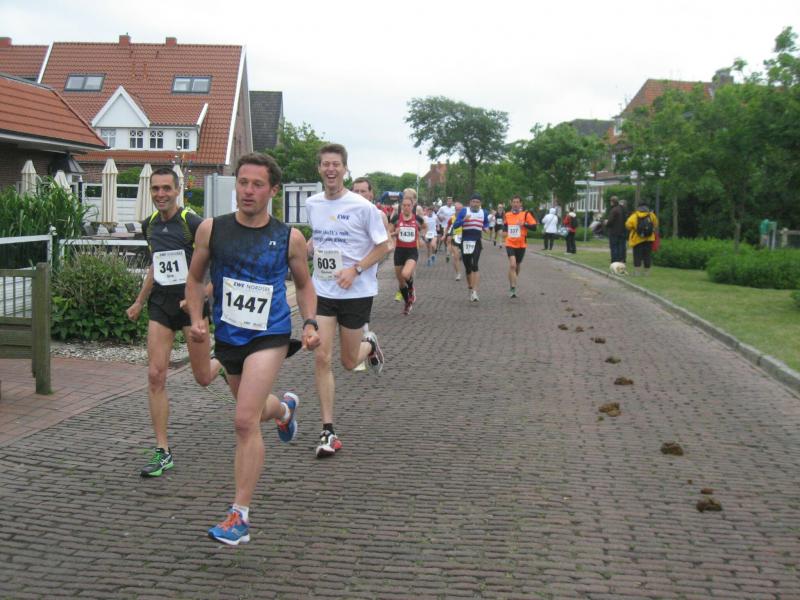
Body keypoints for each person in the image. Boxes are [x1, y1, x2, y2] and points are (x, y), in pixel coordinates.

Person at [185, 152, 320, 545]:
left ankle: (239, 516)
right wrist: (196, 316)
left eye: (257, 184)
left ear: (272, 190)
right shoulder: (212, 230)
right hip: (229, 335)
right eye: (242, 182)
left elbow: (305, 285)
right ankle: (285, 410)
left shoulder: (289, 238)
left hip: (270, 334)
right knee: (257, 410)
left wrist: (310, 322)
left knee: (244, 421)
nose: (247, 190)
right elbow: (194, 280)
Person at [125, 167, 222, 478]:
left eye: (166, 188)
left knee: (203, 377)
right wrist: (139, 301)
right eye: (155, 189)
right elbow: (156, 265)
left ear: (178, 190)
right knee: (155, 375)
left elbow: (219, 264)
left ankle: (223, 359)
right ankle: (162, 451)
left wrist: (201, 294)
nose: (160, 194)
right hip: (161, 305)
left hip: (191, 308)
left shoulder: (192, 223)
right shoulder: (149, 225)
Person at [307, 143, 389, 458]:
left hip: (356, 292)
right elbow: (320, 235)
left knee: (349, 361)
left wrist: (355, 270)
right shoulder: (313, 203)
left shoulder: (363, 207)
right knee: (321, 357)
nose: (331, 169)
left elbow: (384, 246)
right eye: (325, 164)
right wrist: (306, 249)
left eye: (336, 164)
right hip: (324, 290)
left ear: (345, 169)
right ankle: (328, 430)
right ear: (319, 168)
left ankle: (370, 344)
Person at [389, 189, 426, 315]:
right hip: (399, 251)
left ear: (412, 206)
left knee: (405, 274)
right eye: (404, 205)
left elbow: (425, 227)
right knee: (401, 282)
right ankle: (407, 303)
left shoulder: (417, 219)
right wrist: (394, 233)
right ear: (401, 206)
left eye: (408, 205)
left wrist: (421, 237)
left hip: (412, 251)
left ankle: (411, 288)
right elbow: (387, 233)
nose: (406, 207)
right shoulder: (396, 218)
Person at [452, 193, 490, 302]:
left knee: (475, 265)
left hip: (477, 241)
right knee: (468, 267)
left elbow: (486, 223)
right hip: (465, 241)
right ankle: (470, 287)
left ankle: (475, 291)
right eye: (473, 201)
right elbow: (455, 225)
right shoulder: (465, 211)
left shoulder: (484, 212)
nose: (475, 204)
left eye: (477, 202)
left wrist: (486, 228)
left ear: (480, 203)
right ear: (470, 202)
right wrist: (464, 220)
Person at [503, 195, 538, 298]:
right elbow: (505, 226)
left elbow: (534, 227)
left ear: (521, 203)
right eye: (514, 202)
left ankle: (512, 283)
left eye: (517, 202)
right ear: (511, 203)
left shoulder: (526, 214)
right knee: (512, 265)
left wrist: (524, 224)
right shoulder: (507, 214)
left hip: (521, 244)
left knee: (517, 266)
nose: (515, 204)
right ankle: (513, 287)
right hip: (510, 243)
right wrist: (504, 233)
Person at [625, 202, 659, 276]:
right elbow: (655, 224)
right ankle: (647, 273)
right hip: (649, 239)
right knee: (647, 255)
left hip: (637, 239)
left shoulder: (634, 215)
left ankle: (637, 272)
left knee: (637, 256)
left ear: (638, 207)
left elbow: (627, 225)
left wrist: (634, 228)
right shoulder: (651, 215)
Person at [444, 201, 463, 280]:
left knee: (463, 257)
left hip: (464, 238)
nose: (458, 211)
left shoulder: (466, 218)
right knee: (456, 257)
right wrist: (445, 235)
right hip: (454, 237)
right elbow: (447, 227)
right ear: (455, 209)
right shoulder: (452, 218)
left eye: (460, 209)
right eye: (457, 209)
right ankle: (458, 273)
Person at [604, 195, 627, 263]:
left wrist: (606, 223)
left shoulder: (614, 210)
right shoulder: (622, 209)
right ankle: (622, 259)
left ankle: (615, 260)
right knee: (621, 246)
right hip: (622, 231)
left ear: (612, 202)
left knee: (614, 246)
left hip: (614, 231)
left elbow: (610, 221)